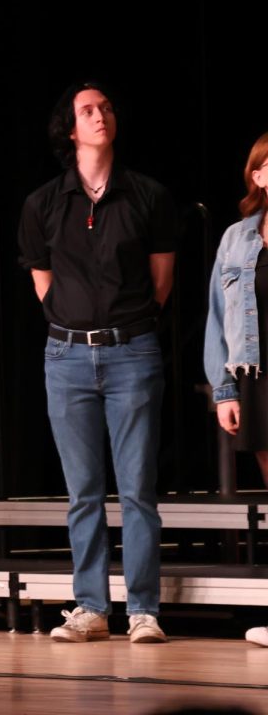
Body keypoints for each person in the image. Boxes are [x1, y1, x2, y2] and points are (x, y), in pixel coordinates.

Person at [18, 80, 176, 644]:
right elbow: (43, 283)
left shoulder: (147, 195)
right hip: (66, 357)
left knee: (137, 489)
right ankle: (90, 606)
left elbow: (161, 282)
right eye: (88, 110)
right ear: (70, 128)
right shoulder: (42, 203)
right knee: (83, 491)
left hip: (132, 351)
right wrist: (74, 326)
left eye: (106, 107)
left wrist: (124, 328)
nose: (100, 115)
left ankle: (143, 610)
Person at [202, 131, 268, 649]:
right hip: (258, 381)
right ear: (259, 174)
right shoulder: (236, 238)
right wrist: (224, 390)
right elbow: (218, 318)